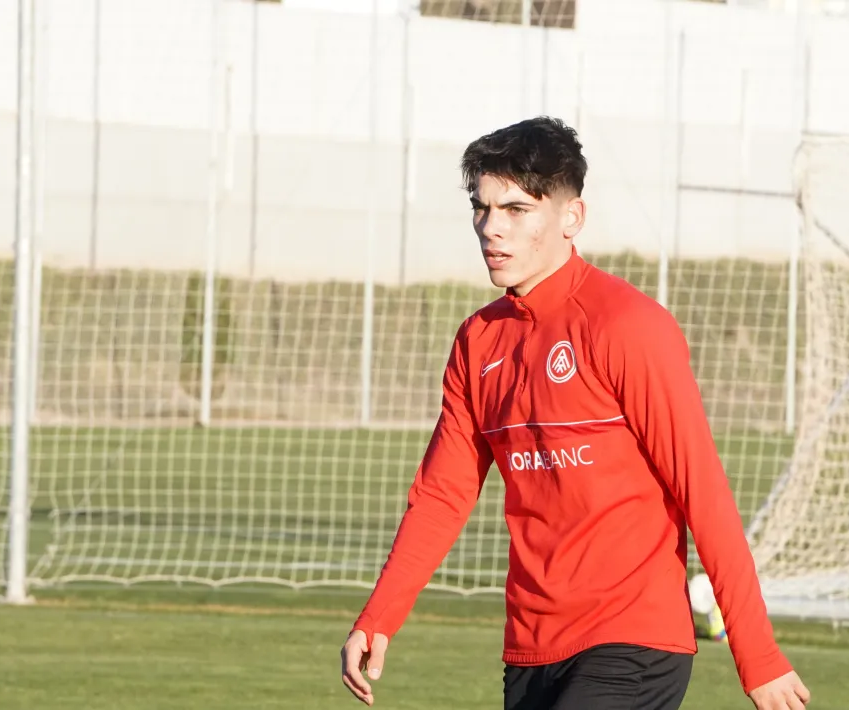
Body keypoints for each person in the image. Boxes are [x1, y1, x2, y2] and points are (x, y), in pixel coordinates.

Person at [341, 116, 811, 710]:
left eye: (515, 210)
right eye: (482, 209)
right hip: (531, 648)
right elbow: (442, 496)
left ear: (572, 217)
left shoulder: (627, 326)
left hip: (632, 636)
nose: (492, 228)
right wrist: (377, 618)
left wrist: (758, 654)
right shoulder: (477, 341)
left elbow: (703, 491)